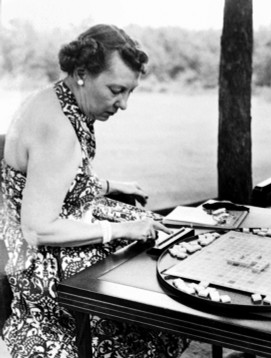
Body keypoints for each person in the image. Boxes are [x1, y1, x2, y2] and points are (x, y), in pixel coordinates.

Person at [0, 24, 188, 357]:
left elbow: (57, 180)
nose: (124, 103)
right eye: (116, 89)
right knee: (157, 297)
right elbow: (37, 228)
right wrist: (122, 228)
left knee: (164, 234)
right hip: (41, 264)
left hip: (57, 228)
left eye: (130, 91)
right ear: (82, 72)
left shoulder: (61, 98)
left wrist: (113, 186)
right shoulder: (57, 128)